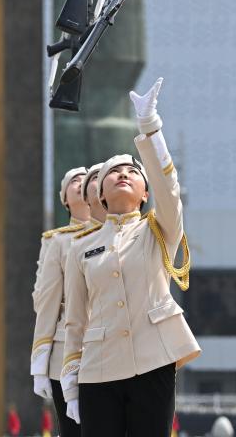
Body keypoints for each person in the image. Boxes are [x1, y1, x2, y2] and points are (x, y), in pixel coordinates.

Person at [61, 78, 201, 437]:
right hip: (98, 369)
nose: (124, 175)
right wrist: (71, 375)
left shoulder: (159, 229)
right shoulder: (81, 248)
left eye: (133, 173)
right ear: (101, 196)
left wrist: (149, 126)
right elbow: (75, 318)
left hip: (154, 359)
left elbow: (169, 189)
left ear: (144, 194)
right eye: (114, 174)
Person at [31, 166, 90, 437]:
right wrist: (39, 366)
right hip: (66, 347)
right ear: (64, 198)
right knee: (72, 428)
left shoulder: (118, 235)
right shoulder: (57, 241)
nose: (81, 183)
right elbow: (44, 303)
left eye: (88, 180)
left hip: (108, 343)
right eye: (73, 181)